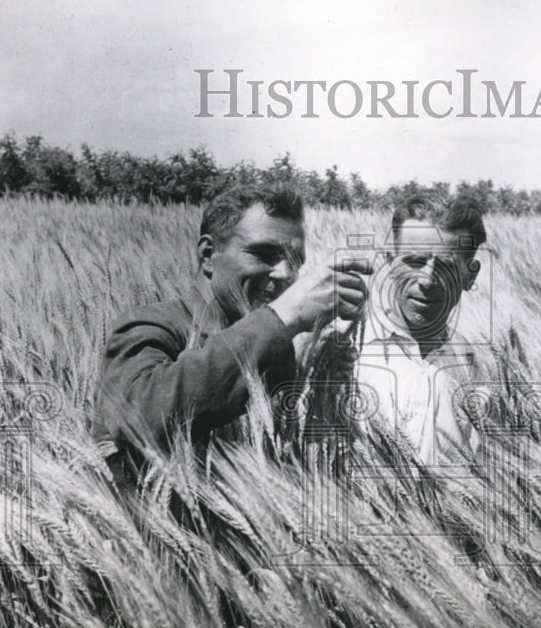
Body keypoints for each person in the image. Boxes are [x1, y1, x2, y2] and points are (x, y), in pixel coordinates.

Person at [92, 184, 369, 488]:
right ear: (209, 255)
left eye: (296, 262)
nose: (285, 274)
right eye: (265, 254)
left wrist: (310, 381)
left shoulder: (275, 343)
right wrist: (284, 316)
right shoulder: (152, 325)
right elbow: (137, 415)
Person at [353, 193, 486, 469]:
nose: (427, 280)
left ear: (469, 275)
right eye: (414, 262)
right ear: (390, 263)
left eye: (446, 267)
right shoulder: (347, 349)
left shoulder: (476, 365)